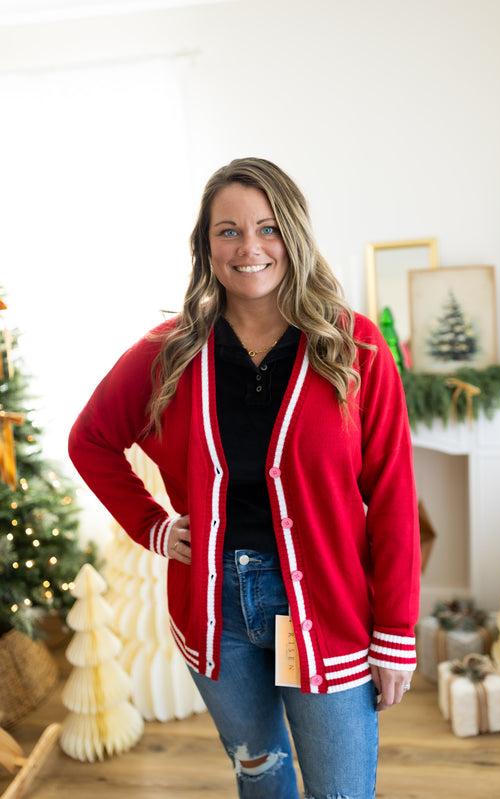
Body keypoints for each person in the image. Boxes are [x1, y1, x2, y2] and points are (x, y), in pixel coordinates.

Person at [69, 157, 420, 799]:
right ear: (207, 247)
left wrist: (395, 632)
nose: (248, 247)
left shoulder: (354, 347)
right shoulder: (170, 351)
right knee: (260, 772)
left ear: (294, 234)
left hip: (322, 607)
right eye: (227, 231)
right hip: (216, 611)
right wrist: (152, 526)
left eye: (267, 227)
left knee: (339, 790)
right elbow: (90, 440)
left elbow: (394, 494)